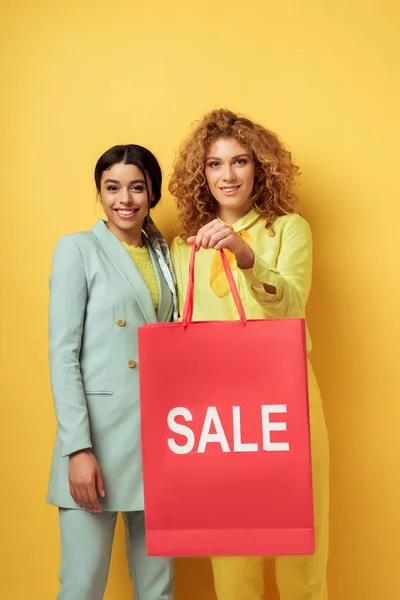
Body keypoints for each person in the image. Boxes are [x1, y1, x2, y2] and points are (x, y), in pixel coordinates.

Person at [169, 109, 329, 600]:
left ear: (259, 168)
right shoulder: (184, 246)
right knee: (232, 554)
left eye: (240, 161)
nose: (228, 175)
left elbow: (293, 308)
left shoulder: (288, 229)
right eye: (215, 165)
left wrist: (245, 254)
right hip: (217, 413)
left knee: (302, 547)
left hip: (286, 401)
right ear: (203, 175)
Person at [47, 144, 177, 600]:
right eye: (112, 187)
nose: (125, 198)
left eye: (137, 187)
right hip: (97, 442)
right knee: (81, 587)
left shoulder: (167, 255)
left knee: (158, 590)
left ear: (152, 193)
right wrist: (76, 448)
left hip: (161, 441)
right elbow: (63, 355)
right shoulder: (78, 250)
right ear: (100, 194)